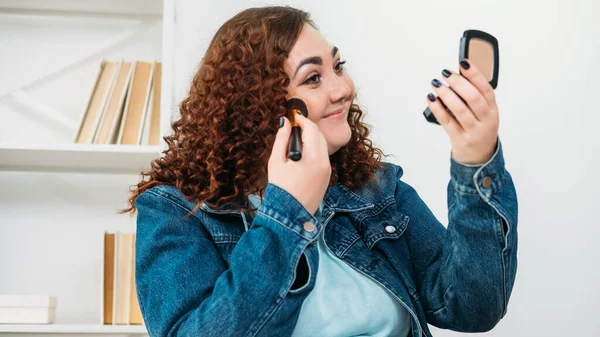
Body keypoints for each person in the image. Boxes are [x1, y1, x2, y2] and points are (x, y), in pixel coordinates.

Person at [120, 6, 518, 337]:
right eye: (313, 77)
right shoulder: (175, 212)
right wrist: (288, 212)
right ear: (254, 106)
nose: (343, 88)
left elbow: (472, 308)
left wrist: (474, 161)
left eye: (337, 66)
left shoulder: (376, 189)